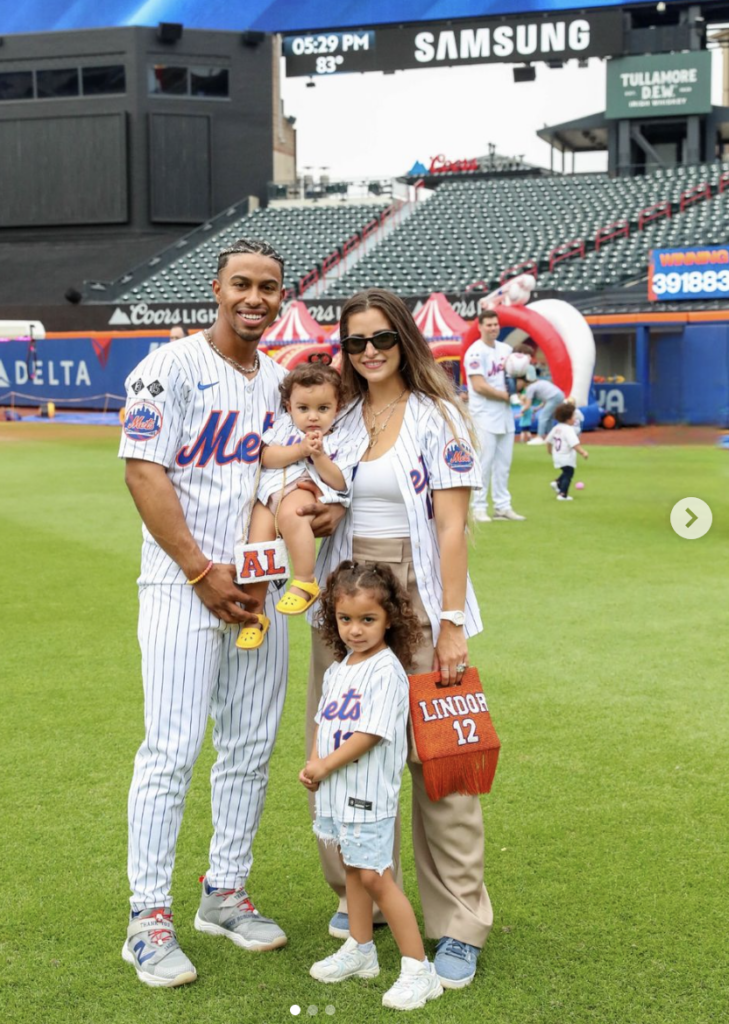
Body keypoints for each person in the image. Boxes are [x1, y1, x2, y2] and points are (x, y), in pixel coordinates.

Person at [117, 238, 342, 987]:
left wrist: (317, 517)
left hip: (261, 588)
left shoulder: (283, 381)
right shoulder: (169, 366)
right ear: (216, 288)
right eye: (242, 284)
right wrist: (199, 570)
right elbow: (144, 472)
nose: (255, 297)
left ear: (283, 297)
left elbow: (290, 479)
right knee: (172, 750)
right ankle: (148, 918)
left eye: (269, 287)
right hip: (184, 586)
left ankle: (224, 892)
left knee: (248, 746)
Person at [306, 288, 492, 991]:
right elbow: (318, 499)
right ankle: (361, 895)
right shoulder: (343, 418)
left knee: (439, 766)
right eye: (355, 342)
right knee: (340, 751)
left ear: (404, 338)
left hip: (415, 592)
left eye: (381, 337)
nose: (369, 351)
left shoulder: (439, 414)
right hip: (347, 602)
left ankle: (459, 923)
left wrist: (449, 624)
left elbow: (450, 527)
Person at [302, 561, 443, 1012]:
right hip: (338, 793)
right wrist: (313, 762)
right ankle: (361, 951)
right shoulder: (341, 669)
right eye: (346, 619)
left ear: (389, 621)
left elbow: (370, 734)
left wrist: (324, 766)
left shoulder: (386, 671)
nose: (355, 630)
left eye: (368, 620)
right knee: (352, 870)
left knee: (376, 878)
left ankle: (419, 970)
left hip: (367, 795)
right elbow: (326, 723)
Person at [237, 363, 360, 649]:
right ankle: (254, 615)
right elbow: (266, 456)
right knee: (257, 548)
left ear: (338, 407)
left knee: (295, 514)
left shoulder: (340, 436)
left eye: (323, 408)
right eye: (303, 408)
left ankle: (305, 581)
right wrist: (300, 449)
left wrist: (318, 457)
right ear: (288, 407)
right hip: (269, 494)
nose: (313, 417)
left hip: (305, 488)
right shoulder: (283, 426)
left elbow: (340, 481)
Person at [463, 309, 525, 522]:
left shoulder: (506, 349)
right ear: (480, 327)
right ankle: (479, 507)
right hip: (484, 415)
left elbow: (517, 377)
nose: (493, 328)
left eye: (495, 324)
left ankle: (502, 506)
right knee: (484, 461)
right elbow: (479, 386)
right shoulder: (474, 352)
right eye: (488, 325)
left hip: (505, 415)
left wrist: (520, 385)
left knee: (504, 463)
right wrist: (507, 396)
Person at [546, 402, 589, 501]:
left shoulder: (556, 428)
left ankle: (557, 483)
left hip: (557, 456)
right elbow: (574, 444)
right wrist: (583, 452)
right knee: (569, 474)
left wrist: (549, 451)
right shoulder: (569, 430)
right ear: (568, 418)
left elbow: (548, 441)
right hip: (566, 457)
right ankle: (563, 494)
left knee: (566, 471)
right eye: (573, 416)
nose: (575, 418)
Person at [516, 374, 565, 446]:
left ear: (523, 381)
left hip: (555, 397)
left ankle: (540, 437)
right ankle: (551, 438)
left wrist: (521, 411)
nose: (517, 384)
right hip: (559, 395)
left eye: (518, 381)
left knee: (542, 417)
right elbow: (546, 399)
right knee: (549, 418)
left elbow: (527, 405)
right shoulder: (537, 384)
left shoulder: (530, 388)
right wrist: (537, 408)